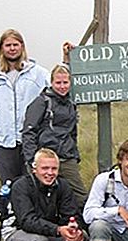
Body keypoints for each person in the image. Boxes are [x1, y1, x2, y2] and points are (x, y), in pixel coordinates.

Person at [2, 148, 87, 241]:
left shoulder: (62, 185)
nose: (50, 173)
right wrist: (58, 230)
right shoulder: (21, 186)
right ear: (34, 169)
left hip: (46, 230)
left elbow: (71, 213)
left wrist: (73, 227)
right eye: (45, 168)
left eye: (54, 169)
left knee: (81, 238)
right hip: (16, 232)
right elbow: (27, 221)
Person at [0, 29, 49, 184]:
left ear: (22, 46)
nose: (12, 48)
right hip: (4, 143)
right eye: (8, 45)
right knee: (9, 187)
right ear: (1, 49)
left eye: (15, 44)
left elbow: (57, 91)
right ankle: (10, 209)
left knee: (33, 184)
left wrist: (67, 61)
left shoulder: (37, 73)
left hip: (32, 141)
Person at [22, 62, 87, 208]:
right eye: (58, 82)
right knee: (42, 198)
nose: (62, 86)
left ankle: (82, 227)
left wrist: (75, 156)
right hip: (45, 158)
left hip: (66, 158)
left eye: (65, 82)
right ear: (51, 82)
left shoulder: (71, 103)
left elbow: (73, 133)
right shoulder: (41, 102)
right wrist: (32, 160)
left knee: (80, 197)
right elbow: (28, 132)